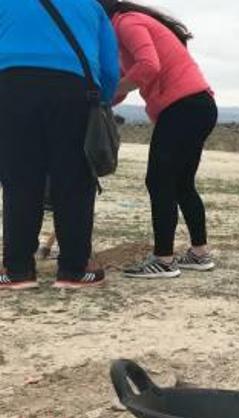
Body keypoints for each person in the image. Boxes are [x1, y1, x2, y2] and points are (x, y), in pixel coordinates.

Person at [0, 0, 119, 290]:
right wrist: (102, 101)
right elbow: (110, 68)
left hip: (11, 85)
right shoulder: (92, 7)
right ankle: (74, 270)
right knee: (75, 180)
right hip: (73, 90)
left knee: (19, 178)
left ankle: (17, 271)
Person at [100, 0, 217, 279]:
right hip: (198, 106)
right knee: (182, 184)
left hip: (183, 107)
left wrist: (108, 93)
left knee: (159, 181)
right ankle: (199, 254)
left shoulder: (127, 22)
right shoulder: (125, 28)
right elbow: (127, 81)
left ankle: (163, 260)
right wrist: (103, 99)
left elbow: (148, 66)